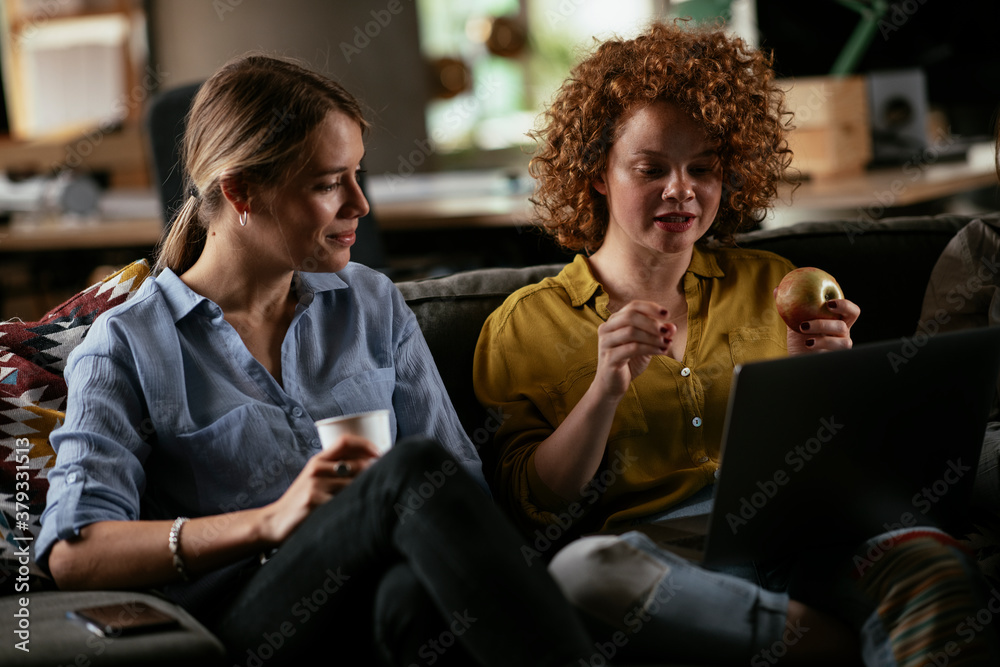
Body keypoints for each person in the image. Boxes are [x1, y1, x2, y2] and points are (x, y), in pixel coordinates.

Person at [36, 54, 594, 667]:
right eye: (329, 183)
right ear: (240, 191)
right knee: (406, 472)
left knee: (413, 595)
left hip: (376, 599)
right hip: (251, 623)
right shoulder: (127, 345)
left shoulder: (371, 303)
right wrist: (269, 521)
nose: (361, 203)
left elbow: (461, 488)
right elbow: (74, 551)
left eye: (358, 175)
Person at [474, 21, 999, 666]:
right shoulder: (526, 324)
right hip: (663, 559)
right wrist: (604, 389)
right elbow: (534, 507)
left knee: (931, 558)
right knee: (586, 572)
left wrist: (830, 382)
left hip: (800, 539)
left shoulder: (774, 284)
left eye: (703, 169)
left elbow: (840, 464)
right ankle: (842, 646)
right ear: (597, 175)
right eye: (651, 168)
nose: (682, 191)